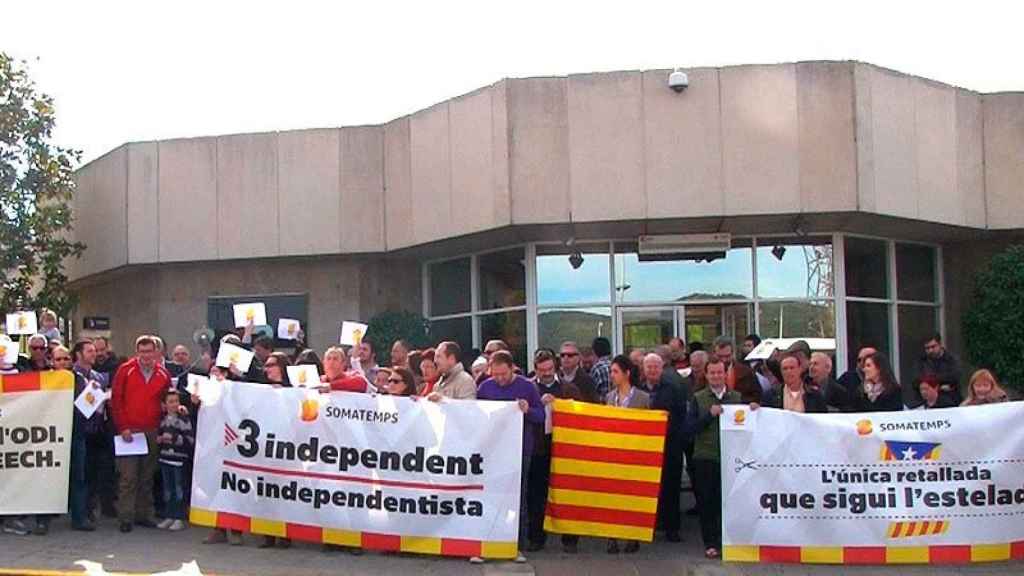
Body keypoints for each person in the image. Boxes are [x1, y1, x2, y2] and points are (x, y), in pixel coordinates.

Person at [473, 350, 544, 564]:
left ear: (512, 368)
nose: (500, 379)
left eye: (504, 374)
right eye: (496, 374)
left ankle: (516, 546)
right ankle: (485, 543)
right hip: (493, 451)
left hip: (520, 450)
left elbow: (541, 416)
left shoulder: (527, 386)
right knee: (489, 497)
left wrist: (527, 410)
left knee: (517, 498)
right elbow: (473, 415)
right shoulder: (485, 387)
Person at [110, 335, 173, 533]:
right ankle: (126, 517)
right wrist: (123, 427)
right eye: (142, 351)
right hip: (130, 430)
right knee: (128, 477)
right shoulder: (125, 370)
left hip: (152, 430)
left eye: (149, 351)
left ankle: (144, 514)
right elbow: (116, 400)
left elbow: (168, 400)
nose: (146, 355)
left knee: (147, 476)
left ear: (156, 352)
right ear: (137, 352)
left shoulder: (163, 373)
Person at [526, 349, 582, 553]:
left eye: (549, 369)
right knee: (536, 495)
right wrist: (537, 407)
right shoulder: (529, 388)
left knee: (567, 494)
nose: (547, 373)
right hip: (539, 448)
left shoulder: (569, 388)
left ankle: (570, 539)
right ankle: (536, 538)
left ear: (555, 367)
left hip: (564, 449)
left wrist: (560, 405)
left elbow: (580, 413)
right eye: (542, 370)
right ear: (535, 370)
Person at [686, 357, 742, 559]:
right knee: (707, 502)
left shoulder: (737, 398)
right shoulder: (698, 398)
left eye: (720, 372)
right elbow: (689, 429)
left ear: (726, 374)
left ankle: (727, 540)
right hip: (705, 457)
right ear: (707, 375)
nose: (717, 376)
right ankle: (710, 542)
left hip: (730, 457)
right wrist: (709, 415)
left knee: (727, 502)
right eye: (713, 373)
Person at [639, 352, 689, 543]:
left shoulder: (673, 389)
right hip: (646, 448)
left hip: (670, 445)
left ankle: (672, 528)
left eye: (655, 366)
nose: (652, 370)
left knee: (671, 487)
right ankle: (651, 525)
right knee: (649, 488)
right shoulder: (638, 390)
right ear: (643, 369)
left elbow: (680, 416)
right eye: (649, 366)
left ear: (662, 369)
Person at [603, 354, 650, 554]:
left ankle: (632, 536)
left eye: (615, 371)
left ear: (626, 373)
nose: (612, 375)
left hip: (635, 455)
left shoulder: (642, 398)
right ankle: (611, 537)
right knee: (612, 496)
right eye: (611, 372)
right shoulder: (609, 397)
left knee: (632, 496)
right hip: (614, 454)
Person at [201, 365, 245, 546]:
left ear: (226, 375)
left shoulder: (235, 391)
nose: (214, 376)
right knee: (213, 486)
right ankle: (217, 529)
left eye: (217, 373)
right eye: (211, 373)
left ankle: (236, 530)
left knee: (233, 487)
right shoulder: (206, 391)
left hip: (233, 445)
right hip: (211, 445)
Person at [71, 340, 111, 529]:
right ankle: (79, 517)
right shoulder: (71, 375)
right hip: (79, 431)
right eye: (89, 351)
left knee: (94, 474)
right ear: (79, 354)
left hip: (98, 431)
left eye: (95, 351)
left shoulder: (98, 377)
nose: (93, 354)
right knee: (80, 476)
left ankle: (89, 510)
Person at [156, 389, 193, 532]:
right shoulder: (163, 419)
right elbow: (159, 435)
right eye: (170, 402)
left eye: (176, 401)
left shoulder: (183, 419)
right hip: (165, 458)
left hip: (178, 459)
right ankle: (169, 515)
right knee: (167, 489)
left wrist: (174, 439)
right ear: (164, 404)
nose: (174, 404)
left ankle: (179, 517)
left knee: (178, 490)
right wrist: (159, 439)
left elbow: (189, 440)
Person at [754, 354, 827, 413]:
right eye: (785, 369)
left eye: (792, 368)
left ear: (800, 369)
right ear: (781, 372)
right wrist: (756, 409)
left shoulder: (814, 395)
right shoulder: (771, 395)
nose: (788, 372)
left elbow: (822, 421)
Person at [918, 334, 963, 407]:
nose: (930, 350)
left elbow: (955, 376)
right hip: (929, 402)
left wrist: (933, 381)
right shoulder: (923, 361)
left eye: (933, 347)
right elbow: (918, 379)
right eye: (927, 348)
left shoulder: (951, 359)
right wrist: (940, 384)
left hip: (952, 401)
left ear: (940, 345)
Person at [714, 337, 761, 404]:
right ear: (714, 353)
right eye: (720, 356)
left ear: (733, 353)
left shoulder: (746, 372)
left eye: (727, 356)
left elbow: (756, 396)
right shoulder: (706, 373)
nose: (724, 360)